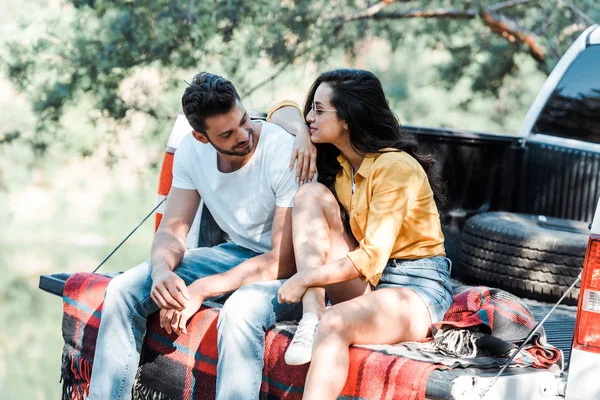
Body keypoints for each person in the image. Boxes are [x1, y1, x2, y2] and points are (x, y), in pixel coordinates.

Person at [88, 72, 314, 400]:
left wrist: (199, 290)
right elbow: (172, 229)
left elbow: (281, 260)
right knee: (123, 290)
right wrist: (163, 272)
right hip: (239, 253)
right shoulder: (191, 153)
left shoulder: (281, 152)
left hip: (294, 267)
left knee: (240, 311)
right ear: (201, 137)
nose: (243, 134)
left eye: (242, 120)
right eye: (227, 133)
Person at [274, 68, 454, 400]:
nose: (310, 117)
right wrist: (301, 131)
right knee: (309, 195)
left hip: (416, 289)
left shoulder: (394, 168)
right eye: (310, 109)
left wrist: (304, 278)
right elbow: (276, 112)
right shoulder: (343, 165)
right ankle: (311, 316)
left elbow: (370, 257)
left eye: (319, 110)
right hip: (372, 281)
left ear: (348, 119)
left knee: (337, 322)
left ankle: (321, 321)